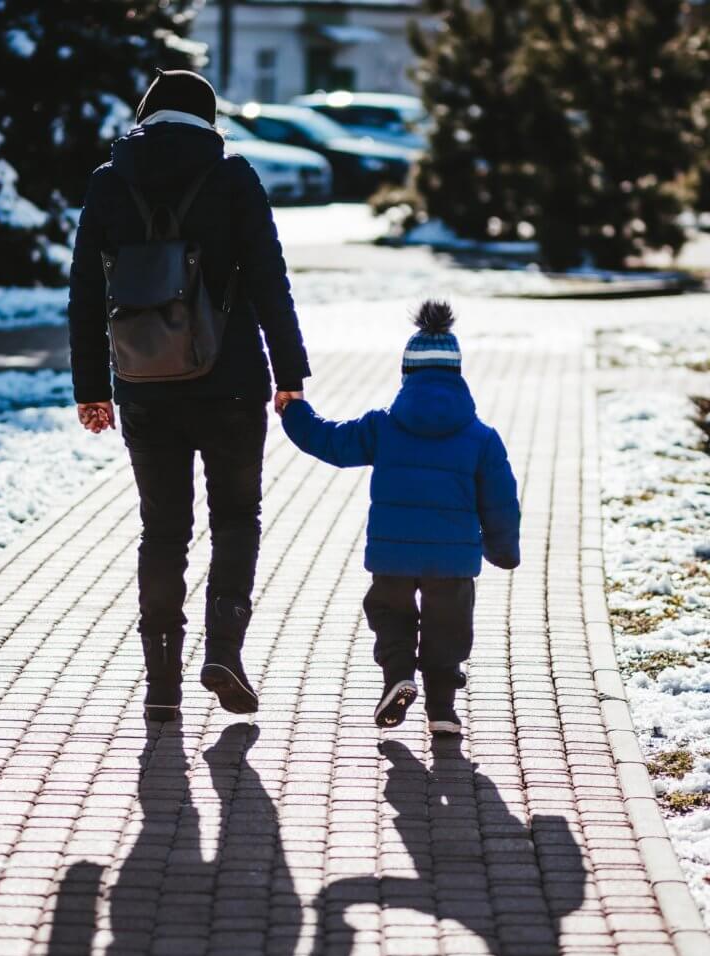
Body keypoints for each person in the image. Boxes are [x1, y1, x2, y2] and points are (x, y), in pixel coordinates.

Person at [69, 70, 309, 720]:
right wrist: (290, 371)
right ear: (207, 119)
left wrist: (92, 388)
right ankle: (223, 650)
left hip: (143, 385)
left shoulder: (108, 183)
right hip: (230, 384)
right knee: (235, 517)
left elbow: (87, 292)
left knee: (163, 530)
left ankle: (161, 684)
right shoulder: (234, 179)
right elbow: (268, 280)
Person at [277, 300, 520, 734]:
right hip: (453, 561)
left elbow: (329, 442)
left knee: (390, 613)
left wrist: (294, 410)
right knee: (449, 624)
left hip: (393, 554)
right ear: (457, 375)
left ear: (407, 373)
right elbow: (501, 501)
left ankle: (398, 677)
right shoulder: (481, 438)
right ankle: (442, 709)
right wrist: (503, 550)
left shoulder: (381, 427)